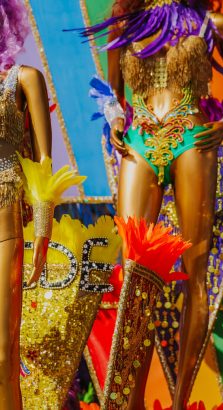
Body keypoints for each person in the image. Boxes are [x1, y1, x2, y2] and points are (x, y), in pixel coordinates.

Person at [79, 0, 223, 407]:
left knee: (196, 272)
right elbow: (111, 92)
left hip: (192, 141)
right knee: (134, 273)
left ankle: (179, 401)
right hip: (139, 143)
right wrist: (115, 119)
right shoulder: (125, 25)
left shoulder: (213, 23)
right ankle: (131, 399)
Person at [0, 1, 54, 407]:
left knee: (3, 353)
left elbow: (43, 163)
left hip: (5, 225)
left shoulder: (24, 79)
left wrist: (42, 228)